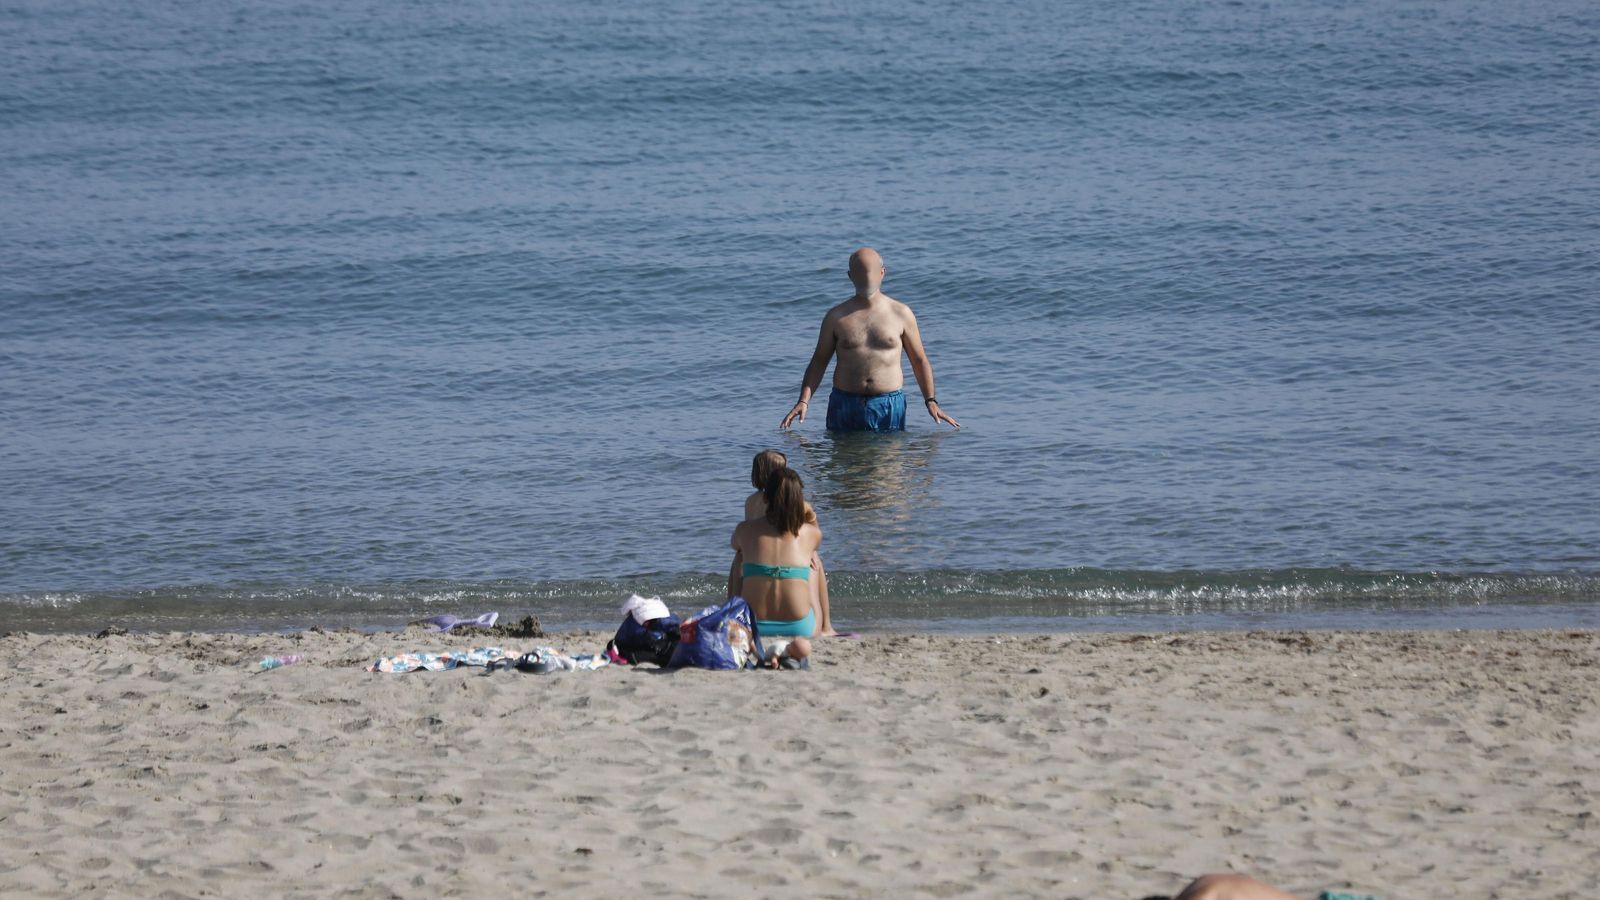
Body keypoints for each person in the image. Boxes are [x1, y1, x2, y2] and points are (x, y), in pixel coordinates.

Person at [780, 247, 961, 432]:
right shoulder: (836, 317)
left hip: (888, 404)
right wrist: (803, 401)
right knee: (844, 459)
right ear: (850, 276)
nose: (867, 277)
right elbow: (819, 362)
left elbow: (919, 360)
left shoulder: (901, 314)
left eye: (871, 272)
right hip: (844, 403)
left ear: (883, 273)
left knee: (888, 459)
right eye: (860, 272)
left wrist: (930, 400)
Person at [732, 450, 836, 636]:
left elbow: (739, 544)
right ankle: (827, 626)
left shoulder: (749, 507)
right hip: (801, 627)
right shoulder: (809, 533)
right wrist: (810, 514)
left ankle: (730, 614)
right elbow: (815, 538)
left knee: (738, 558)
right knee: (814, 558)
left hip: (751, 624)